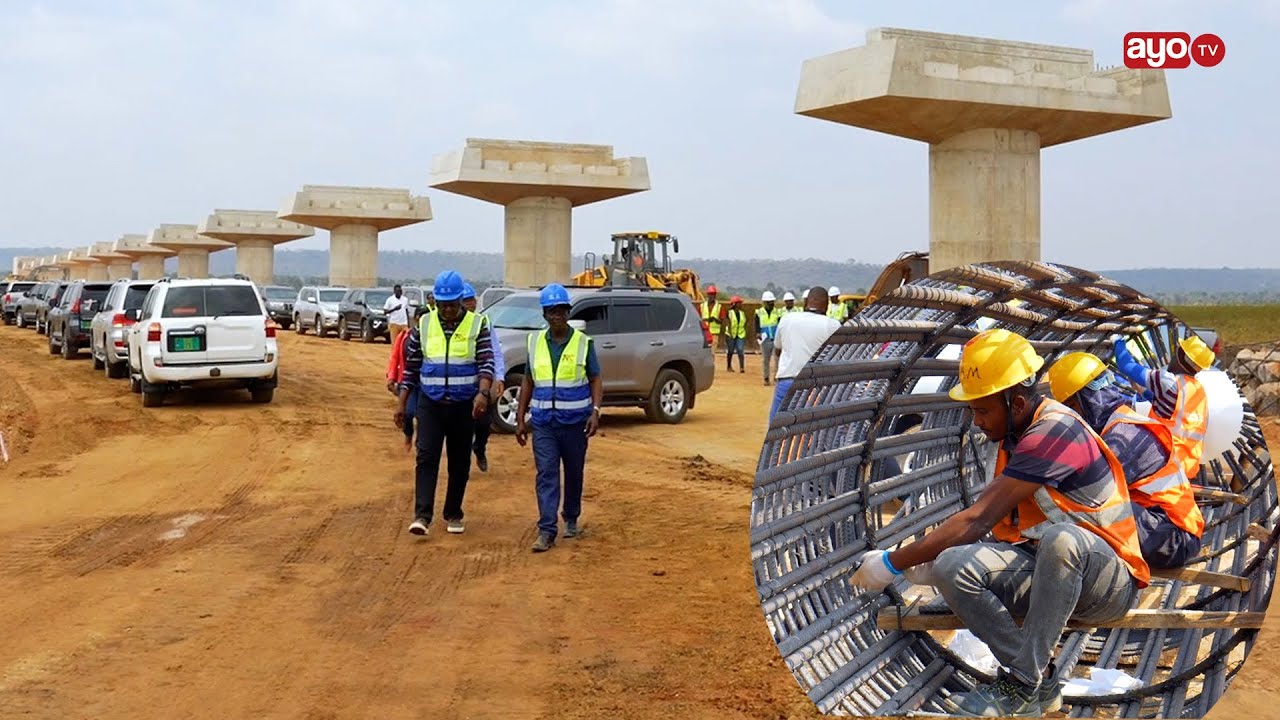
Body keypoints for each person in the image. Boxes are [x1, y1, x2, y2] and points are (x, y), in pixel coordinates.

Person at [849, 329, 1149, 717]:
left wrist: (893, 562)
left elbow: (978, 519)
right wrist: (936, 564)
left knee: (1063, 539)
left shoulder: (1054, 430)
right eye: (972, 411)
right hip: (1049, 572)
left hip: (1109, 583)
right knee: (952, 565)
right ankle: (1041, 682)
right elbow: (1003, 527)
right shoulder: (1013, 437)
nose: (976, 422)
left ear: (1017, 403)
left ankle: (1021, 685)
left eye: (983, 411)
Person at [1048, 352, 1204, 569]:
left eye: (1073, 407)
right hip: (1165, 527)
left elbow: (1085, 488)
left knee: (1090, 503)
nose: (1074, 417)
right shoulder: (1118, 420)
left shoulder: (1121, 435)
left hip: (1175, 538)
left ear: (1088, 399)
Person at [395, 270, 495, 538]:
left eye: (452, 304)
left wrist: (483, 393)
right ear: (435, 302)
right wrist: (402, 403)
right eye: (443, 305)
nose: (448, 310)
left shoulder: (477, 325)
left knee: (459, 461)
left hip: (464, 405)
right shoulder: (424, 325)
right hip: (431, 403)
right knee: (426, 457)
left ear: (461, 301)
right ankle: (422, 516)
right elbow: (411, 369)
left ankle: (453, 512)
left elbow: (486, 362)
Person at [515, 283, 603, 553]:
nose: (557, 316)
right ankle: (547, 529)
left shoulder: (583, 343)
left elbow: (595, 379)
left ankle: (571, 516)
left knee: (574, 472)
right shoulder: (535, 343)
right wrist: (520, 417)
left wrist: (595, 411)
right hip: (544, 423)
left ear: (568, 312)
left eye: (562, 310)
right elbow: (528, 381)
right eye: (552, 311)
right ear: (544, 314)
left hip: (575, 422)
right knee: (547, 474)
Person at [1111, 334, 1215, 480]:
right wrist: (1144, 392)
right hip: (1185, 467)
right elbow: (1173, 412)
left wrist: (1117, 341)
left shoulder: (1169, 381)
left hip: (1163, 463)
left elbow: (1126, 365)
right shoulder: (1198, 391)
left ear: (1181, 356)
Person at [770, 287, 841, 420]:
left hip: (787, 381)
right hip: (815, 385)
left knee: (777, 425)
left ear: (806, 302)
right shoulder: (832, 325)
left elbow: (778, 348)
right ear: (826, 306)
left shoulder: (787, 319)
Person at [462, 282, 505, 472]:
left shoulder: (484, 322)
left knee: (483, 423)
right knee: (462, 427)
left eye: (472, 300)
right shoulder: (454, 325)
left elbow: (495, 351)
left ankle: (480, 448)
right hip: (461, 384)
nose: (470, 304)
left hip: (482, 382)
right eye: (466, 301)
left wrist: (500, 376)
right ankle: (462, 464)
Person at [387, 304, 432, 451]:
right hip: (407, 381)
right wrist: (391, 377)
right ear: (416, 318)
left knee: (422, 415)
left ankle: (420, 444)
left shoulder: (433, 337)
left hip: (426, 382)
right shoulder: (404, 336)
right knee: (408, 412)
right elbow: (395, 357)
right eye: (421, 317)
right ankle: (408, 434)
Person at [755, 291, 784, 386]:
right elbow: (756, 325)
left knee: (777, 359)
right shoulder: (759, 312)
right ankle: (766, 378)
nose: (771, 304)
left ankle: (776, 377)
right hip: (765, 339)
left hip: (776, 339)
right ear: (764, 302)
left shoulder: (777, 312)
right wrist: (758, 333)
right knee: (765, 360)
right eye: (769, 302)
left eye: (772, 302)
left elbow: (780, 325)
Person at [725, 296, 747, 373]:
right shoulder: (729, 313)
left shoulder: (742, 313)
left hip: (740, 334)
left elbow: (744, 323)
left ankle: (742, 367)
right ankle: (729, 366)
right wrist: (730, 333)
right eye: (739, 303)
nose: (740, 304)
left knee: (740, 349)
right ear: (734, 304)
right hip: (731, 334)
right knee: (730, 350)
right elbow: (727, 323)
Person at [700, 285, 725, 352]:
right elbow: (698, 318)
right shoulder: (702, 306)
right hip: (704, 332)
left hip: (714, 333)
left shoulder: (719, 307)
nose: (712, 296)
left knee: (712, 351)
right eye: (710, 294)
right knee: (704, 351)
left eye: (713, 294)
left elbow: (722, 320)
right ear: (708, 295)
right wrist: (706, 320)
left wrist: (715, 319)